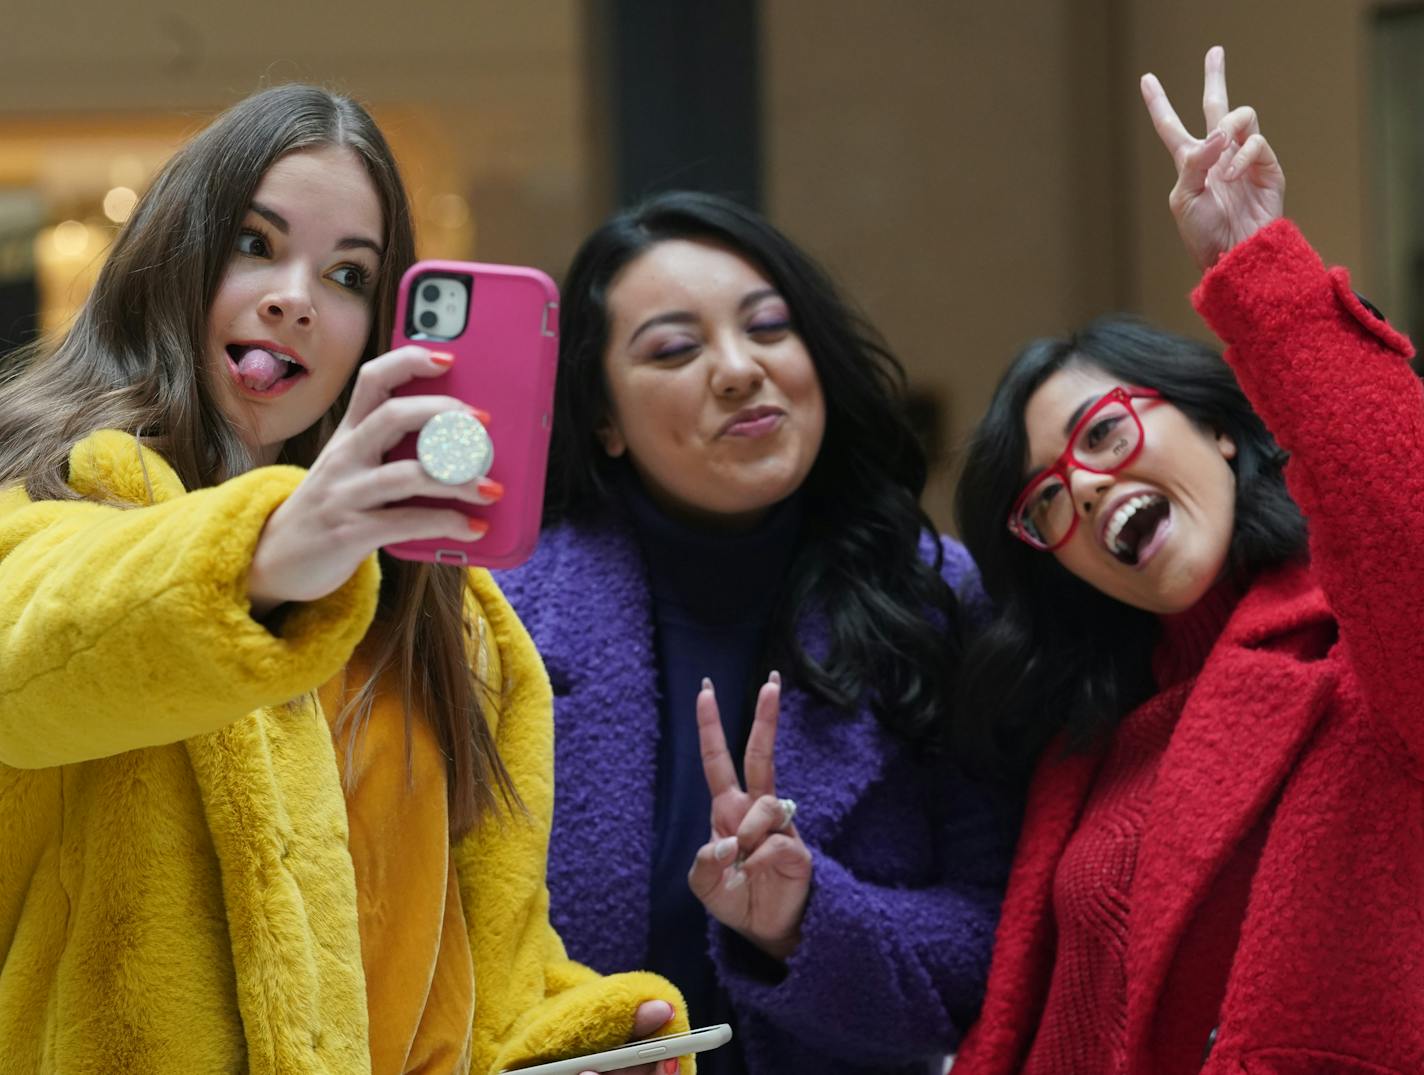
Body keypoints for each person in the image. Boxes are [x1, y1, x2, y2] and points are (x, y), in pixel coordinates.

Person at [0, 84, 692, 1075]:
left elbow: (471, 968)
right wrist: (277, 546)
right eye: (254, 244)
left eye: (347, 274)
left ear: (377, 330)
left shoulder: (448, 621)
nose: (294, 296)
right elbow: (29, 657)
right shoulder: (51, 491)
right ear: (175, 254)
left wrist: (574, 1040)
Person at [949, 47, 1424, 1075]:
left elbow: (1401, 526)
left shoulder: (1357, 657)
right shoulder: (1090, 742)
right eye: (1040, 501)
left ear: (1214, 427)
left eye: (1104, 433)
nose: (1077, 486)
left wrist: (1260, 268)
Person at [496, 191, 1014, 1075]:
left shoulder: (935, 599)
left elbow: (998, 947)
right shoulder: (500, 617)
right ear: (603, 420)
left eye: (769, 328)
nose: (738, 369)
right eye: (674, 348)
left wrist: (803, 916)